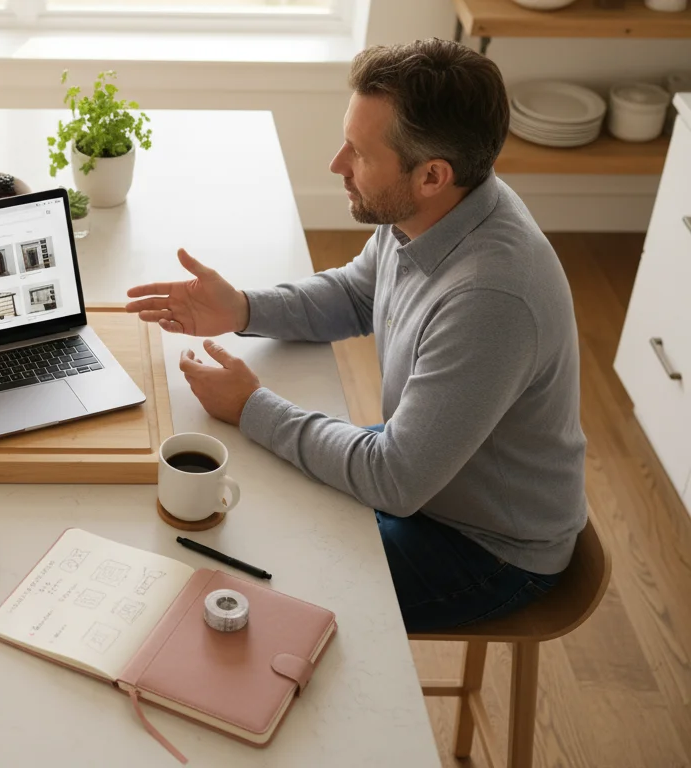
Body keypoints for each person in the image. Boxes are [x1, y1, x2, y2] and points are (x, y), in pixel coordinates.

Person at [125, 39, 587, 633]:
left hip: (483, 547)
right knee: (246, 501)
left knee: (247, 582)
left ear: (431, 175)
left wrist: (251, 406)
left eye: (361, 154)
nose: (336, 164)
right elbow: (355, 294)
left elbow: (392, 480)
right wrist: (241, 308)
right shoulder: (440, 209)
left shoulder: (489, 300)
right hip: (429, 476)